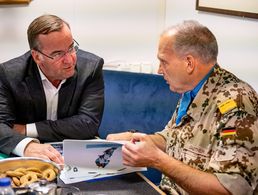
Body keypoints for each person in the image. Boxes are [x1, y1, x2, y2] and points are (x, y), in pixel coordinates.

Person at [107, 20, 258, 194]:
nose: (159, 70)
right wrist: (135, 139)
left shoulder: (236, 105)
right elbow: (173, 138)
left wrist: (157, 160)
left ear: (189, 63)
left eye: (164, 62)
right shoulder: (192, 90)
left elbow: (229, 189)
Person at [0, 14, 104, 164]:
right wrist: (26, 146)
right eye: (57, 54)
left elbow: (89, 123)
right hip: (29, 158)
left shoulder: (91, 68)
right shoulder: (9, 74)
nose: (69, 60)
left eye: (71, 48)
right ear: (37, 57)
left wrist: (27, 130)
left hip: (77, 156)